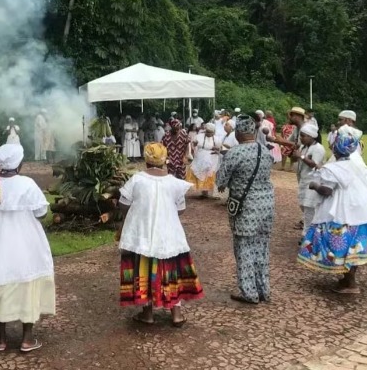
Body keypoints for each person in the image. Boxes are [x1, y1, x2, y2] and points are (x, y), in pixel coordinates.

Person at [0, 144, 55, 352]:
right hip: (25, 245)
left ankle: (1, 339)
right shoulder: (27, 183)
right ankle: (27, 338)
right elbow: (41, 213)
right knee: (28, 285)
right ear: (20, 164)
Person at [118, 143, 204, 326]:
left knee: (144, 270)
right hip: (169, 235)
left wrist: (134, 213)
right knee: (172, 271)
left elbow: (123, 203)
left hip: (142, 234)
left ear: (146, 160)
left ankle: (147, 314)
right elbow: (180, 209)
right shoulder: (174, 182)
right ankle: (177, 315)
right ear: (165, 160)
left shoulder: (137, 180)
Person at [298, 133, 367, 294]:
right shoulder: (356, 164)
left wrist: (314, 186)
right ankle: (349, 279)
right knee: (354, 248)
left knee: (341, 245)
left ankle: (350, 283)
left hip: (341, 212)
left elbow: (326, 190)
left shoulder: (333, 168)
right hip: (362, 211)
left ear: (335, 148)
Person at [216, 116, 275, 304]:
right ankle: (263, 289)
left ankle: (249, 292)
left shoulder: (235, 152)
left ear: (238, 132)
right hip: (266, 206)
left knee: (244, 247)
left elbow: (220, 181)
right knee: (262, 247)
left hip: (245, 207)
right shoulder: (265, 151)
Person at [292, 124, 325, 235]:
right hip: (303, 180)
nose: (301, 138)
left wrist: (301, 156)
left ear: (311, 136)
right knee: (303, 206)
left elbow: (314, 164)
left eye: (303, 136)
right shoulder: (303, 147)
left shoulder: (318, 148)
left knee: (309, 209)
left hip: (313, 181)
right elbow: (296, 159)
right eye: (301, 136)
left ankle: (307, 235)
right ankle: (311, 233)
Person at [187, 123, 222, 198]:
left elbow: (220, 148)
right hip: (201, 157)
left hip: (212, 158)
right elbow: (193, 146)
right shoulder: (199, 137)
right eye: (207, 132)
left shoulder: (217, 138)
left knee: (210, 174)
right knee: (202, 173)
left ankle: (211, 192)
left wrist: (217, 149)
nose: (209, 134)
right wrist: (195, 145)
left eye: (211, 132)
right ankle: (204, 192)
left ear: (213, 132)